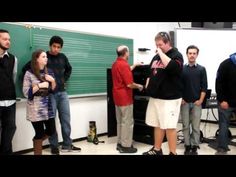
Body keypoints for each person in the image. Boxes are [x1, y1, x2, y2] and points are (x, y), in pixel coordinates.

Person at [143, 32, 183, 155]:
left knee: (170, 126)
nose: (157, 47)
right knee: (157, 124)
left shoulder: (177, 55)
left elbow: (173, 68)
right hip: (156, 97)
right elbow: (150, 72)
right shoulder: (155, 58)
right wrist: (148, 84)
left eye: (160, 44)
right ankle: (157, 149)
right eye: (156, 45)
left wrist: (160, 53)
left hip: (170, 99)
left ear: (167, 43)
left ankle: (172, 152)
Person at [23, 49, 56, 155]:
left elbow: (53, 89)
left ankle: (37, 142)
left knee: (51, 130)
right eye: (43, 56)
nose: (46, 58)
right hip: (35, 108)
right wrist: (39, 86)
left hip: (48, 106)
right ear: (36, 59)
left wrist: (52, 81)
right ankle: (38, 151)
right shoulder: (29, 73)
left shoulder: (49, 71)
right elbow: (25, 92)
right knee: (39, 133)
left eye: (46, 56)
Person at [112, 45, 143, 153]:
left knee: (120, 122)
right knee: (128, 122)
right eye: (128, 52)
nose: (129, 54)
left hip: (117, 98)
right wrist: (139, 86)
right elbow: (129, 84)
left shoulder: (116, 64)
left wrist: (134, 65)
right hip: (125, 98)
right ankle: (126, 146)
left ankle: (120, 143)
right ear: (125, 52)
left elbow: (124, 71)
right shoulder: (124, 65)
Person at [180, 45, 208, 155]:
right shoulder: (181, 68)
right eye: (190, 53)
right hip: (184, 103)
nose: (192, 55)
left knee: (195, 126)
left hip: (197, 103)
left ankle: (194, 145)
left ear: (197, 55)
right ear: (187, 54)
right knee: (185, 125)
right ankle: (187, 145)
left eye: (194, 53)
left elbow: (204, 86)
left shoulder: (201, 69)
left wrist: (201, 100)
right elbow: (178, 85)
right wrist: (181, 98)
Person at [215, 52, 236, 155]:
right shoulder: (225, 64)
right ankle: (222, 148)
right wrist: (222, 100)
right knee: (223, 125)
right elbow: (218, 83)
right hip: (226, 103)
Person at [0, 29, 17, 155]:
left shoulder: (13, 59)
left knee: (10, 129)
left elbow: (14, 77)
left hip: (10, 101)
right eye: (5, 39)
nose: (8, 42)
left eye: (9, 39)